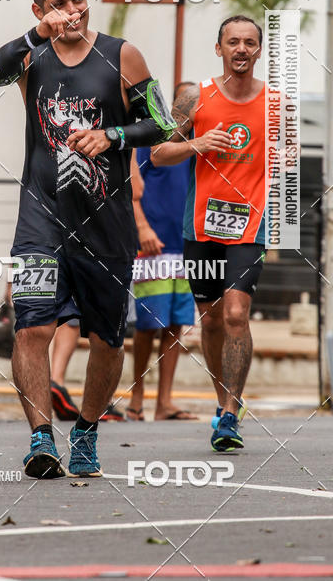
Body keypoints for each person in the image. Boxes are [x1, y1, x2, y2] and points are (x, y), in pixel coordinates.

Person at [0, 0, 176, 479]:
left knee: (108, 341)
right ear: (41, 9)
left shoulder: (121, 56)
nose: (73, 12)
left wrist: (111, 136)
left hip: (105, 225)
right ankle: (41, 439)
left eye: (78, 0)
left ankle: (86, 432)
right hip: (40, 221)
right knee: (31, 329)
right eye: (59, 5)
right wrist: (32, 34)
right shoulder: (32, 56)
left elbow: (162, 124)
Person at [151, 15, 266, 452]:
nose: (241, 49)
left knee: (237, 313)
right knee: (212, 319)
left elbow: (287, 168)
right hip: (201, 225)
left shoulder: (276, 103)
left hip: (249, 225)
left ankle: (232, 413)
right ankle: (223, 405)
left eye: (249, 43)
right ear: (219, 49)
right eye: (233, 42)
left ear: (259, 51)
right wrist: (196, 143)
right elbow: (160, 154)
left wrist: (282, 225)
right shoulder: (195, 96)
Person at [127, 82, 198, 422]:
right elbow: (131, 187)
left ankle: (164, 401)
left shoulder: (200, 143)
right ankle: (136, 396)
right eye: (187, 101)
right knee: (147, 323)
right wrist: (142, 228)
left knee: (176, 324)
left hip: (185, 244)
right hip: (152, 246)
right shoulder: (153, 137)